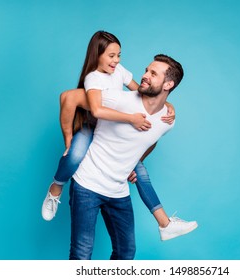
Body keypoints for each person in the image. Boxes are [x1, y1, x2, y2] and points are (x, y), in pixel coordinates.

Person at [42, 31, 197, 241]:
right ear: (97, 55)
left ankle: (165, 224)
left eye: (119, 55)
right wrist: (68, 140)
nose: (116, 60)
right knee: (75, 155)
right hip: (93, 126)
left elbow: (141, 92)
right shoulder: (96, 80)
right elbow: (81, 104)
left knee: (141, 174)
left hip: (114, 130)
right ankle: (56, 187)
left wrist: (165, 102)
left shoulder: (121, 74)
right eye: (111, 56)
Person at [70, 54, 195, 259]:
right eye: (146, 70)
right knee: (81, 254)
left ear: (168, 84)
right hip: (87, 185)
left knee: (126, 252)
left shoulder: (167, 120)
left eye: (153, 73)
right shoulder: (118, 98)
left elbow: (151, 139)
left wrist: (136, 163)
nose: (144, 75)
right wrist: (69, 139)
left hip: (118, 191)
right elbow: (69, 98)